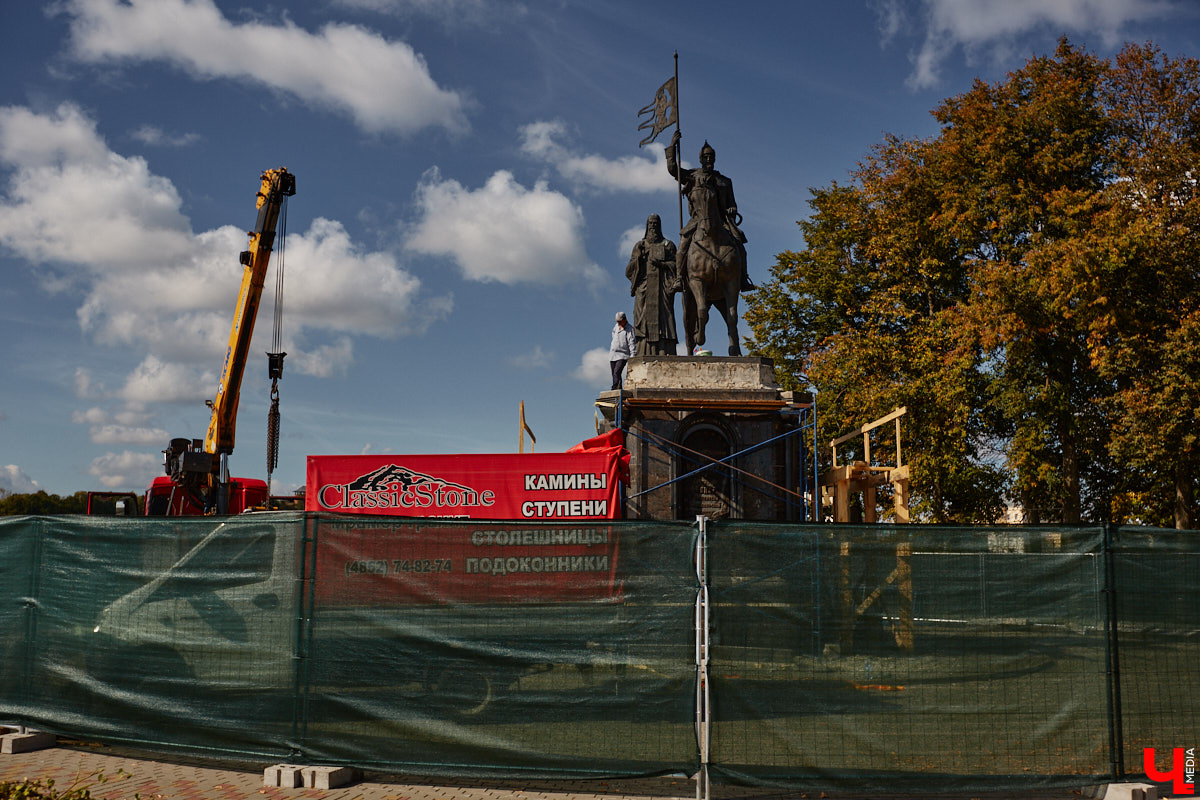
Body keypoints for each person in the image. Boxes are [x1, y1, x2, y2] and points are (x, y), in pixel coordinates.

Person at [665, 129, 754, 292]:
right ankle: (679, 278)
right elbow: (672, 169)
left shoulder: (725, 181)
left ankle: (743, 278)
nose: (708, 159)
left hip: (722, 220)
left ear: (714, 158)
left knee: (739, 244)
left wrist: (732, 209)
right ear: (700, 159)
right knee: (683, 244)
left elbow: (732, 203)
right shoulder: (693, 176)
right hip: (698, 220)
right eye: (705, 157)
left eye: (711, 157)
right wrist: (673, 147)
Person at [625, 214, 679, 356]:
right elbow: (629, 271)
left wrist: (662, 264)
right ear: (647, 226)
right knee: (643, 320)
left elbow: (678, 266)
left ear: (659, 225)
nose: (653, 226)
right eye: (650, 223)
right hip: (645, 288)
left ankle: (664, 351)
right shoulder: (640, 246)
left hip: (662, 288)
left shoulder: (668, 245)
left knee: (665, 320)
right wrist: (639, 258)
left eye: (655, 223)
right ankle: (644, 351)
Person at [609, 311, 636, 389]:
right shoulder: (616, 327)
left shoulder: (629, 329)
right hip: (613, 354)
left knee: (617, 372)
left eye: (620, 321)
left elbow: (632, 342)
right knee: (614, 373)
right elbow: (613, 335)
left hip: (623, 355)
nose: (619, 323)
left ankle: (614, 387)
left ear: (624, 319)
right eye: (617, 321)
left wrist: (632, 355)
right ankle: (618, 388)